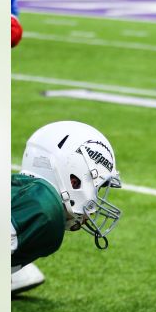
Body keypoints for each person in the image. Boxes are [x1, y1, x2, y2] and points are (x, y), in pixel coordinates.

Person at [11, 121, 123, 295]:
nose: (97, 197)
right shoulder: (43, 209)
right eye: (97, 186)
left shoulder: (33, 197)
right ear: (74, 180)